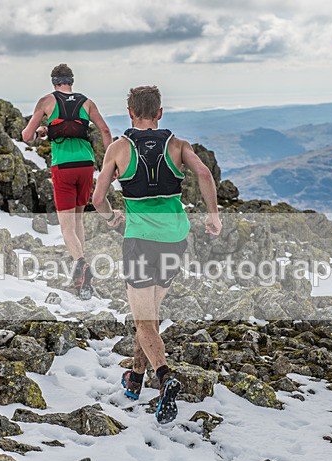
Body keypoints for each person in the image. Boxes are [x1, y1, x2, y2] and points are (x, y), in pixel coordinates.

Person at [92, 85, 221, 424]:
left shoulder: (119, 149)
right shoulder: (178, 146)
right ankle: (135, 378)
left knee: (144, 320)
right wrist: (213, 214)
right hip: (174, 240)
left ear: (131, 112)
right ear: (160, 112)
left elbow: (97, 198)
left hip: (140, 241)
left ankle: (165, 378)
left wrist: (110, 217)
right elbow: (204, 174)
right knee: (150, 314)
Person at [22, 63, 113, 300]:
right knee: (78, 219)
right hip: (86, 165)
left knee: (66, 226)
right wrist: (109, 164)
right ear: (71, 81)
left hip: (62, 167)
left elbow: (26, 136)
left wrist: (43, 129)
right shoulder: (87, 103)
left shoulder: (46, 102)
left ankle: (81, 265)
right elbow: (104, 130)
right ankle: (80, 276)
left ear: (54, 82)